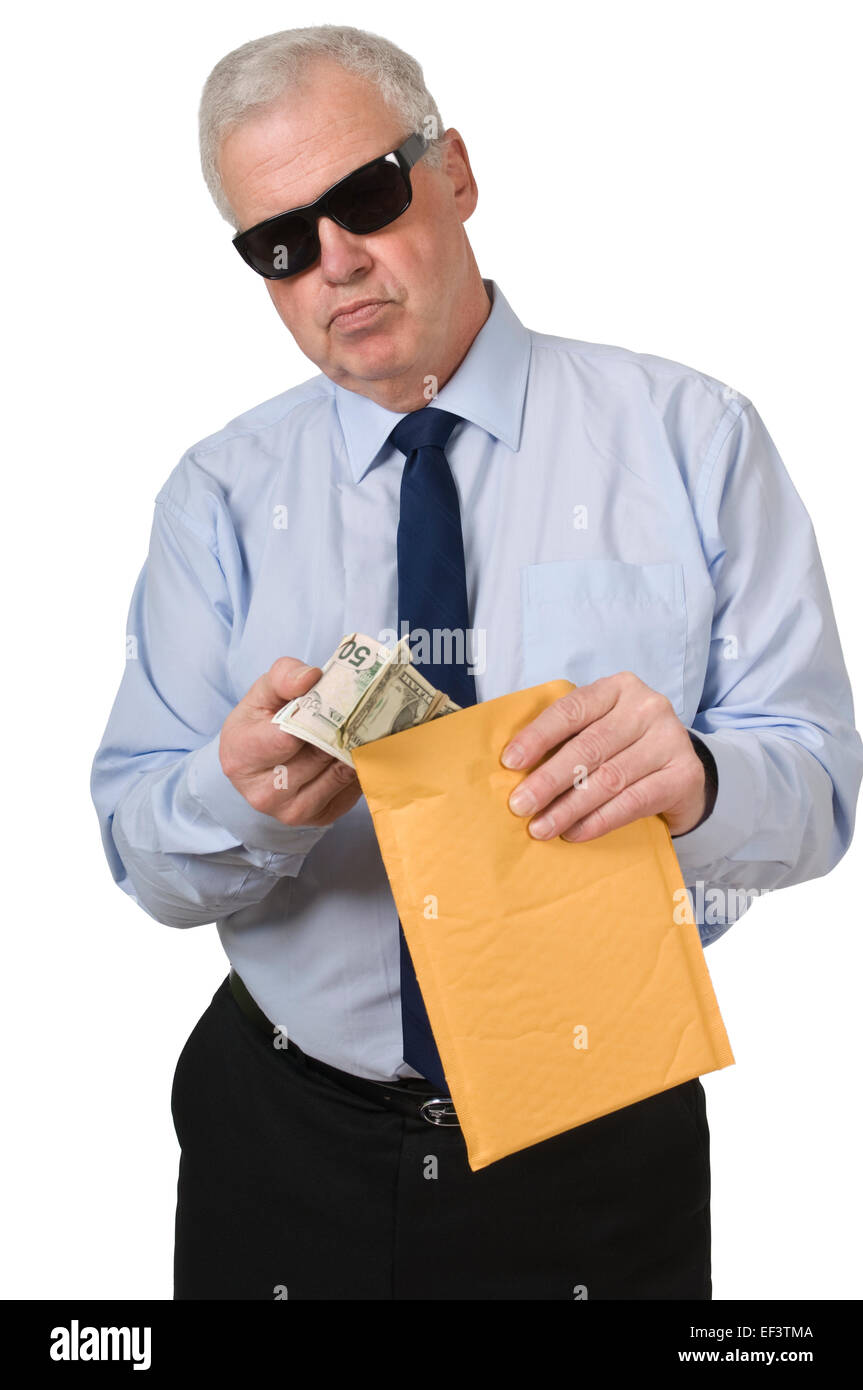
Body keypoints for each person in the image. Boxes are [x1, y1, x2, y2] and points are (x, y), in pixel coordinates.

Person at [90, 23, 863, 1301]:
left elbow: (822, 787)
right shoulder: (215, 495)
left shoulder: (692, 437)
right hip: (280, 1144)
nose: (333, 262)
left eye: (365, 197)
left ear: (450, 170)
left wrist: (703, 780)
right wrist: (235, 801)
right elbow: (139, 852)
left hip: (600, 1150)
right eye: (280, 246)